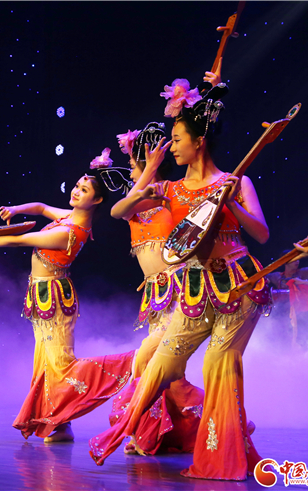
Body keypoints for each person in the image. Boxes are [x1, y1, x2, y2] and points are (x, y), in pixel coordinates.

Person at [90, 81, 271, 481]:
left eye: (176, 140)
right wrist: (149, 172)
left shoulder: (237, 182)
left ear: (199, 142)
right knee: (161, 363)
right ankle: (122, 431)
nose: (170, 148)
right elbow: (119, 211)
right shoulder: (169, 189)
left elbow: (261, 234)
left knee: (218, 363)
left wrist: (232, 204)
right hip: (194, 289)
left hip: (238, 286)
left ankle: (222, 459)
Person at [0, 167, 134, 443]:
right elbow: (40, 207)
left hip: (55, 299)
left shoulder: (70, 232)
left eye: (84, 190)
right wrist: (15, 209)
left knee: (61, 364)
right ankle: (59, 424)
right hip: (43, 296)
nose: (76, 191)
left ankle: (127, 364)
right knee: (47, 362)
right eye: (77, 185)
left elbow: (18, 240)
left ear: (97, 200)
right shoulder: (67, 216)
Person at [108, 123, 204, 456]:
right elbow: (117, 211)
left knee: (148, 358)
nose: (132, 174)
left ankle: (145, 429)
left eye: (134, 167)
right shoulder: (137, 202)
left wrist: (149, 170)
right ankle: (165, 434)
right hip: (155, 294)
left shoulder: (169, 195)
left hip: (179, 288)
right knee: (168, 372)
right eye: (135, 167)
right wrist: (146, 172)